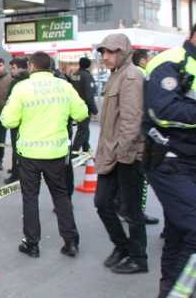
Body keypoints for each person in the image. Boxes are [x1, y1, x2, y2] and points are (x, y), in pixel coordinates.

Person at [1, 51, 87, 259]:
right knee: (61, 196)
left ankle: (32, 244)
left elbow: (8, 121)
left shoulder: (22, 88)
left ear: (31, 66)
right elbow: (82, 113)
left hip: (29, 154)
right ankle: (70, 242)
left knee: (30, 198)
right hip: (56, 153)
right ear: (50, 67)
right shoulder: (64, 86)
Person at [143, 24, 196, 297]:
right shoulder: (170, 62)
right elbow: (161, 110)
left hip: (190, 160)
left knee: (178, 231)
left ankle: (168, 289)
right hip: (169, 160)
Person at [93, 34, 148, 275]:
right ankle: (122, 247)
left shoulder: (132, 76)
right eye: (103, 52)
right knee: (102, 203)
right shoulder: (116, 74)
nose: (105, 56)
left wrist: (124, 153)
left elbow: (131, 121)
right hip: (112, 154)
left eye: (111, 52)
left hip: (127, 155)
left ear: (124, 51)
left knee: (131, 210)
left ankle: (138, 257)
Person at [128, 49, 160, 226]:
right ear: (141, 61)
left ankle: (126, 207)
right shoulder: (142, 76)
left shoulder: (128, 75)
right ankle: (138, 212)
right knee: (141, 178)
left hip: (131, 135)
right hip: (141, 136)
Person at [4, 57, 29, 184]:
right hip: (30, 121)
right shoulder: (32, 81)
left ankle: (16, 174)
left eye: (13, 68)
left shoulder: (16, 83)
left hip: (17, 120)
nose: (11, 71)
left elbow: (9, 101)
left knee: (16, 148)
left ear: (22, 68)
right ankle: (20, 170)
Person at [69, 57, 98, 155]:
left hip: (75, 105)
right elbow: (89, 95)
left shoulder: (75, 75)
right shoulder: (86, 76)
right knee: (82, 129)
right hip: (84, 107)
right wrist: (95, 110)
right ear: (88, 65)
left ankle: (86, 149)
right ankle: (74, 152)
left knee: (84, 128)